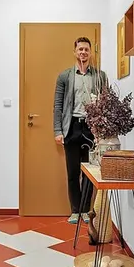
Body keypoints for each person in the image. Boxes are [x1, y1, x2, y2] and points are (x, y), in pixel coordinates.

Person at [53, 37, 108, 224]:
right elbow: (58, 106)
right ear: (75, 52)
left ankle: (85, 210)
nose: (83, 52)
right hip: (71, 128)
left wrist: (102, 131)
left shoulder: (100, 76)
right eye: (80, 49)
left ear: (90, 53)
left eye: (86, 49)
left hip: (91, 129)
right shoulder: (65, 76)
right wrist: (58, 130)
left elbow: (105, 103)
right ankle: (75, 211)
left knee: (89, 172)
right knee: (73, 172)